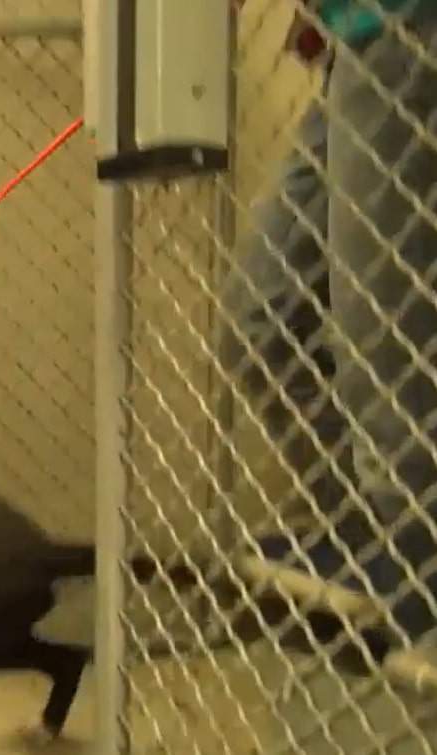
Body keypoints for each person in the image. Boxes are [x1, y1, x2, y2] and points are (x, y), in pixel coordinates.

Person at [223, 0, 437, 650]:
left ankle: (418, 594)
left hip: (404, 20)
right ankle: (379, 544)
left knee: (383, 363)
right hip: (358, 34)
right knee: (264, 322)